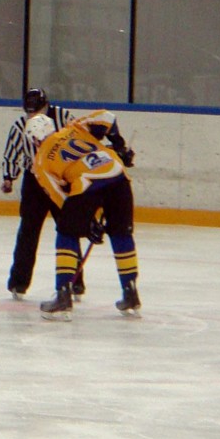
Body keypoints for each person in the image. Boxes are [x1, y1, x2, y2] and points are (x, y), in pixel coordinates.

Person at [30, 110, 141, 322]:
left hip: (88, 183)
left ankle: (63, 293)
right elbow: (107, 117)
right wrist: (118, 146)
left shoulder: (41, 160)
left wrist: (85, 222)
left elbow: (60, 197)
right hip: (118, 176)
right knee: (121, 233)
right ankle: (130, 292)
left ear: (34, 139)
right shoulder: (74, 128)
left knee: (66, 232)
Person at [1, 88, 82, 300]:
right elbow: (12, 152)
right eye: (29, 112)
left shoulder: (64, 117)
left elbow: (80, 141)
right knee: (28, 231)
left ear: (46, 106)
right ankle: (19, 282)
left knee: (69, 229)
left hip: (61, 179)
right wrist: (9, 177)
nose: (32, 116)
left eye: (36, 111)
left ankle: (75, 281)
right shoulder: (20, 125)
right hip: (35, 181)